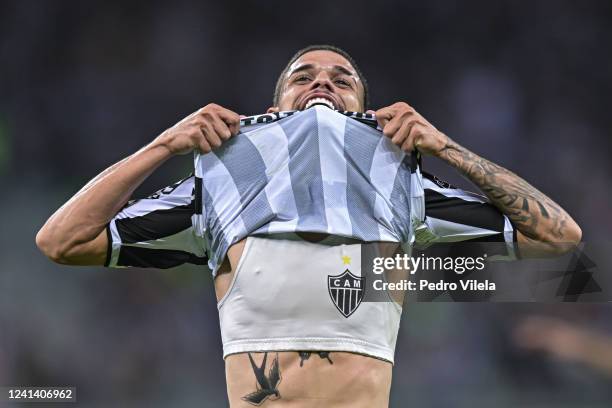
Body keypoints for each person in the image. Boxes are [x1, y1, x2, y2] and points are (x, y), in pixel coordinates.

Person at [36, 45, 581, 407]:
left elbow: (559, 237)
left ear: (369, 112)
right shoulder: (220, 185)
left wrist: (444, 147)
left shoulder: (406, 187)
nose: (323, 84)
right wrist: (166, 144)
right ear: (276, 107)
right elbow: (60, 240)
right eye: (304, 77)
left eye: (342, 81)